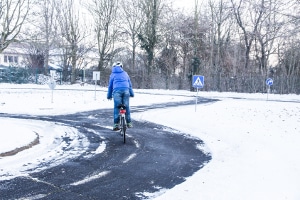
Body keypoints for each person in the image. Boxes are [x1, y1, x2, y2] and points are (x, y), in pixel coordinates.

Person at [107, 61, 134, 131]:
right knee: (126, 107)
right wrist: (131, 93)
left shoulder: (112, 74)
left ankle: (116, 124)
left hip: (116, 91)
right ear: (121, 67)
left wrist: (109, 95)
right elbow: (130, 85)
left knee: (117, 107)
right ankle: (129, 123)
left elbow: (110, 86)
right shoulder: (125, 73)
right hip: (126, 90)